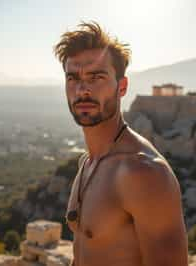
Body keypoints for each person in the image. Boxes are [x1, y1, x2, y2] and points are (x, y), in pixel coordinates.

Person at [54, 22, 188, 266]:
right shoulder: (88, 162)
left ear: (122, 87)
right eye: (73, 78)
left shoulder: (144, 173)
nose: (82, 89)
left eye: (96, 77)